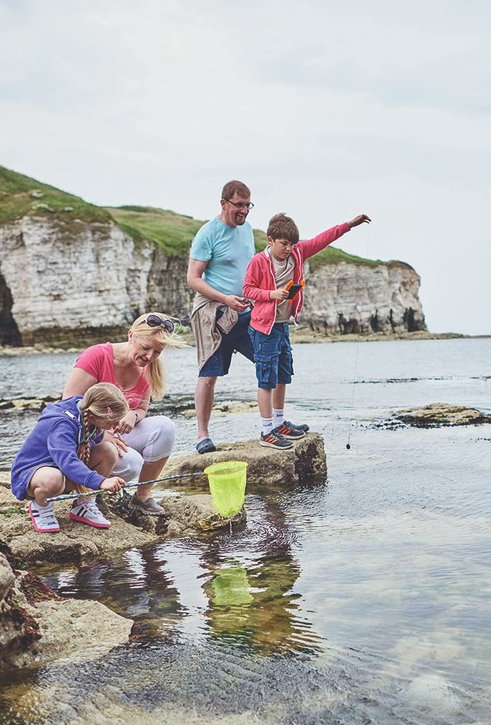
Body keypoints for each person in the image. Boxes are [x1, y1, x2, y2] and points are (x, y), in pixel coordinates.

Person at [242, 211, 371, 449]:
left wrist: (349, 224)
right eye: (283, 244)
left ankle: (280, 423)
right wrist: (271, 295)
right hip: (263, 329)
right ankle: (267, 430)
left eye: (292, 244)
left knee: (283, 375)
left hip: (282, 326)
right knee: (266, 380)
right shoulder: (259, 262)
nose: (288, 249)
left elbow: (324, 238)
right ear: (270, 240)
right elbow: (248, 290)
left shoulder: (298, 253)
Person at [62, 312, 184, 515]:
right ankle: (92, 492)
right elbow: (68, 406)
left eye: (157, 352)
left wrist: (132, 415)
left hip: (119, 436)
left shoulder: (148, 367)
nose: (150, 357)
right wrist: (103, 435)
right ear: (130, 335)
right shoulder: (97, 356)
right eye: (145, 348)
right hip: (88, 439)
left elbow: (142, 408)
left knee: (165, 427)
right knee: (132, 463)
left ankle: (142, 497)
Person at [187, 180, 257, 454]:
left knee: (268, 360)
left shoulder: (248, 230)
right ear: (224, 202)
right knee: (209, 374)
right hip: (214, 312)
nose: (244, 211)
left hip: (247, 311)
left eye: (248, 205)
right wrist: (225, 298)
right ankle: (202, 435)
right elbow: (193, 279)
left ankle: (274, 422)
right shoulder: (208, 234)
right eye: (239, 205)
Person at [11, 382, 129, 534]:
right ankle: (41, 506)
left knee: (108, 451)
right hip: (32, 474)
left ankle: (84, 504)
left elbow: (90, 439)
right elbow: (67, 462)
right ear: (93, 416)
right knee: (54, 479)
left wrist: (82, 443)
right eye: (111, 422)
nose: (114, 426)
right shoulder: (62, 423)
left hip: (60, 471)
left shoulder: (88, 412)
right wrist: (101, 481)